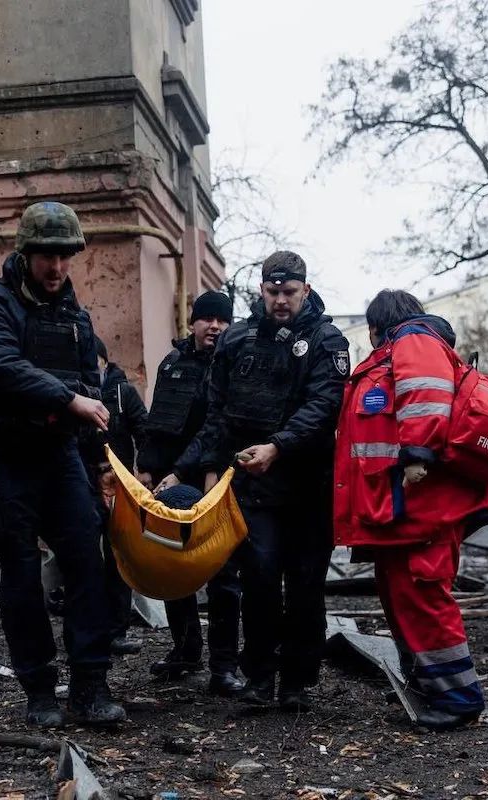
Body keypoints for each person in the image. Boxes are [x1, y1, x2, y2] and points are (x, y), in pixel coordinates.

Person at [0, 200, 125, 728]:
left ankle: (91, 685)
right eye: (47, 255)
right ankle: (40, 691)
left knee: (88, 564)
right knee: (22, 575)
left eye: (65, 256)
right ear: (26, 254)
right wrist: (66, 400)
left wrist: (100, 468)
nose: (56, 267)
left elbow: (93, 393)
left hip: (60, 455)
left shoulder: (74, 316)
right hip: (5, 458)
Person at [157, 251, 349, 710]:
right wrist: (181, 469)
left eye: (289, 292)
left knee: (304, 584)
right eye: (273, 291)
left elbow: (325, 407)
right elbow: (216, 415)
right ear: (260, 289)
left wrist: (278, 446)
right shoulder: (238, 340)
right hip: (253, 487)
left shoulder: (327, 341)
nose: (281, 301)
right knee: (259, 581)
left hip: (307, 486)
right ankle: (260, 677)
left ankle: (298, 681)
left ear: (305, 289)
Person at [333, 289, 488, 731]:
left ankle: (459, 697)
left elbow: (424, 396)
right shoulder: (409, 346)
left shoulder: (412, 341)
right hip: (404, 510)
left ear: (375, 326)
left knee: (422, 597)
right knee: (404, 596)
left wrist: (418, 455)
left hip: (422, 508)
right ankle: (428, 682)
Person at [136, 290, 243, 696]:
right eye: (206, 319)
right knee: (171, 567)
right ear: (193, 323)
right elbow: (157, 418)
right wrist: (147, 466)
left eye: (222, 320)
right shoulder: (172, 363)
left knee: (222, 574)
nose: (214, 326)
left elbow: (218, 427)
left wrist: (184, 472)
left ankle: (224, 665)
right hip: (167, 481)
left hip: (210, 480)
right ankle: (185, 649)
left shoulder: (233, 363)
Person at [92, 336, 148, 655]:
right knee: (86, 555)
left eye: (94, 362)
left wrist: (144, 470)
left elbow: (145, 430)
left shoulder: (122, 393)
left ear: (104, 361)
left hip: (120, 488)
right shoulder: (75, 392)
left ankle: (117, 629)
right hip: (86, 485)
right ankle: (92, 626)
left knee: (118, 557)